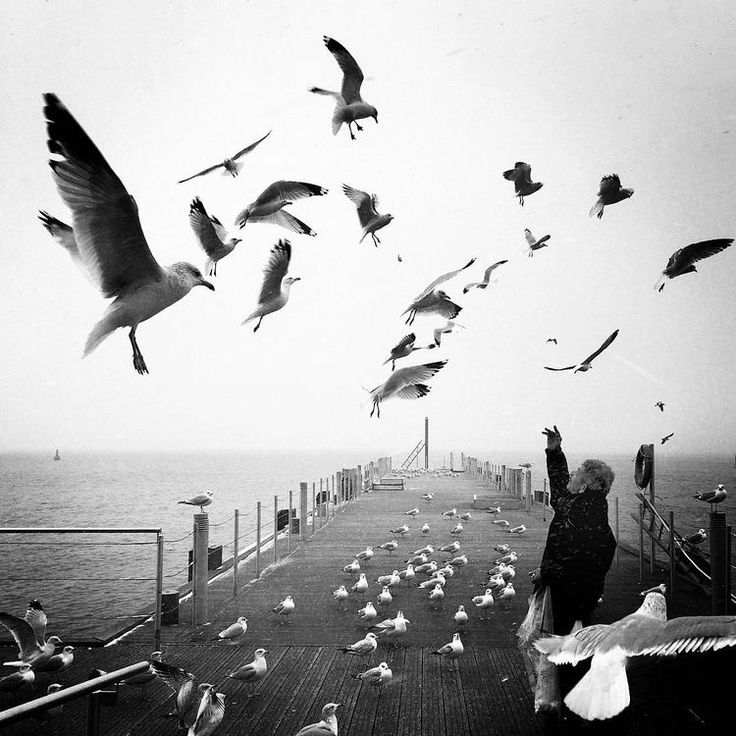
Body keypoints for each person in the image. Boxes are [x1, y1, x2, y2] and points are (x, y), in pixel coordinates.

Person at [532, 425, 616, 636]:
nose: (570, 476)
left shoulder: (583, 516)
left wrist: (546, 574)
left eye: (575, 475)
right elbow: (560, 485)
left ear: (584, 487)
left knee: (567, 649)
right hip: (577, 595)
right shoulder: (581, 505)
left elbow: (576, 560)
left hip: (572, 597)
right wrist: (554, 451)